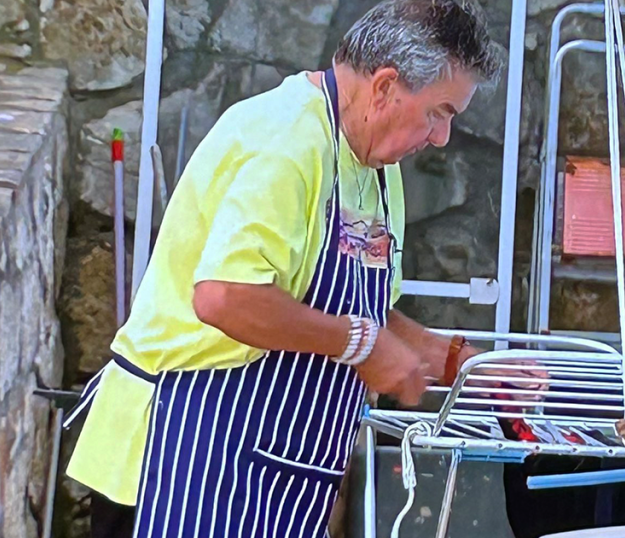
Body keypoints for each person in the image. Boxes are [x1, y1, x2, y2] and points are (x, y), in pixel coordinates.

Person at [64, 1, 503, 536]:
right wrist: (361, 346)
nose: (441, 138)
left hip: (268, 474)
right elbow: (226, 296)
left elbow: (361, 308)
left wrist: (461, 364)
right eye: (439, 112)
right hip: (179, 455)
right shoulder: (288, 140)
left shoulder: (375, 166)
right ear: (386, 86)